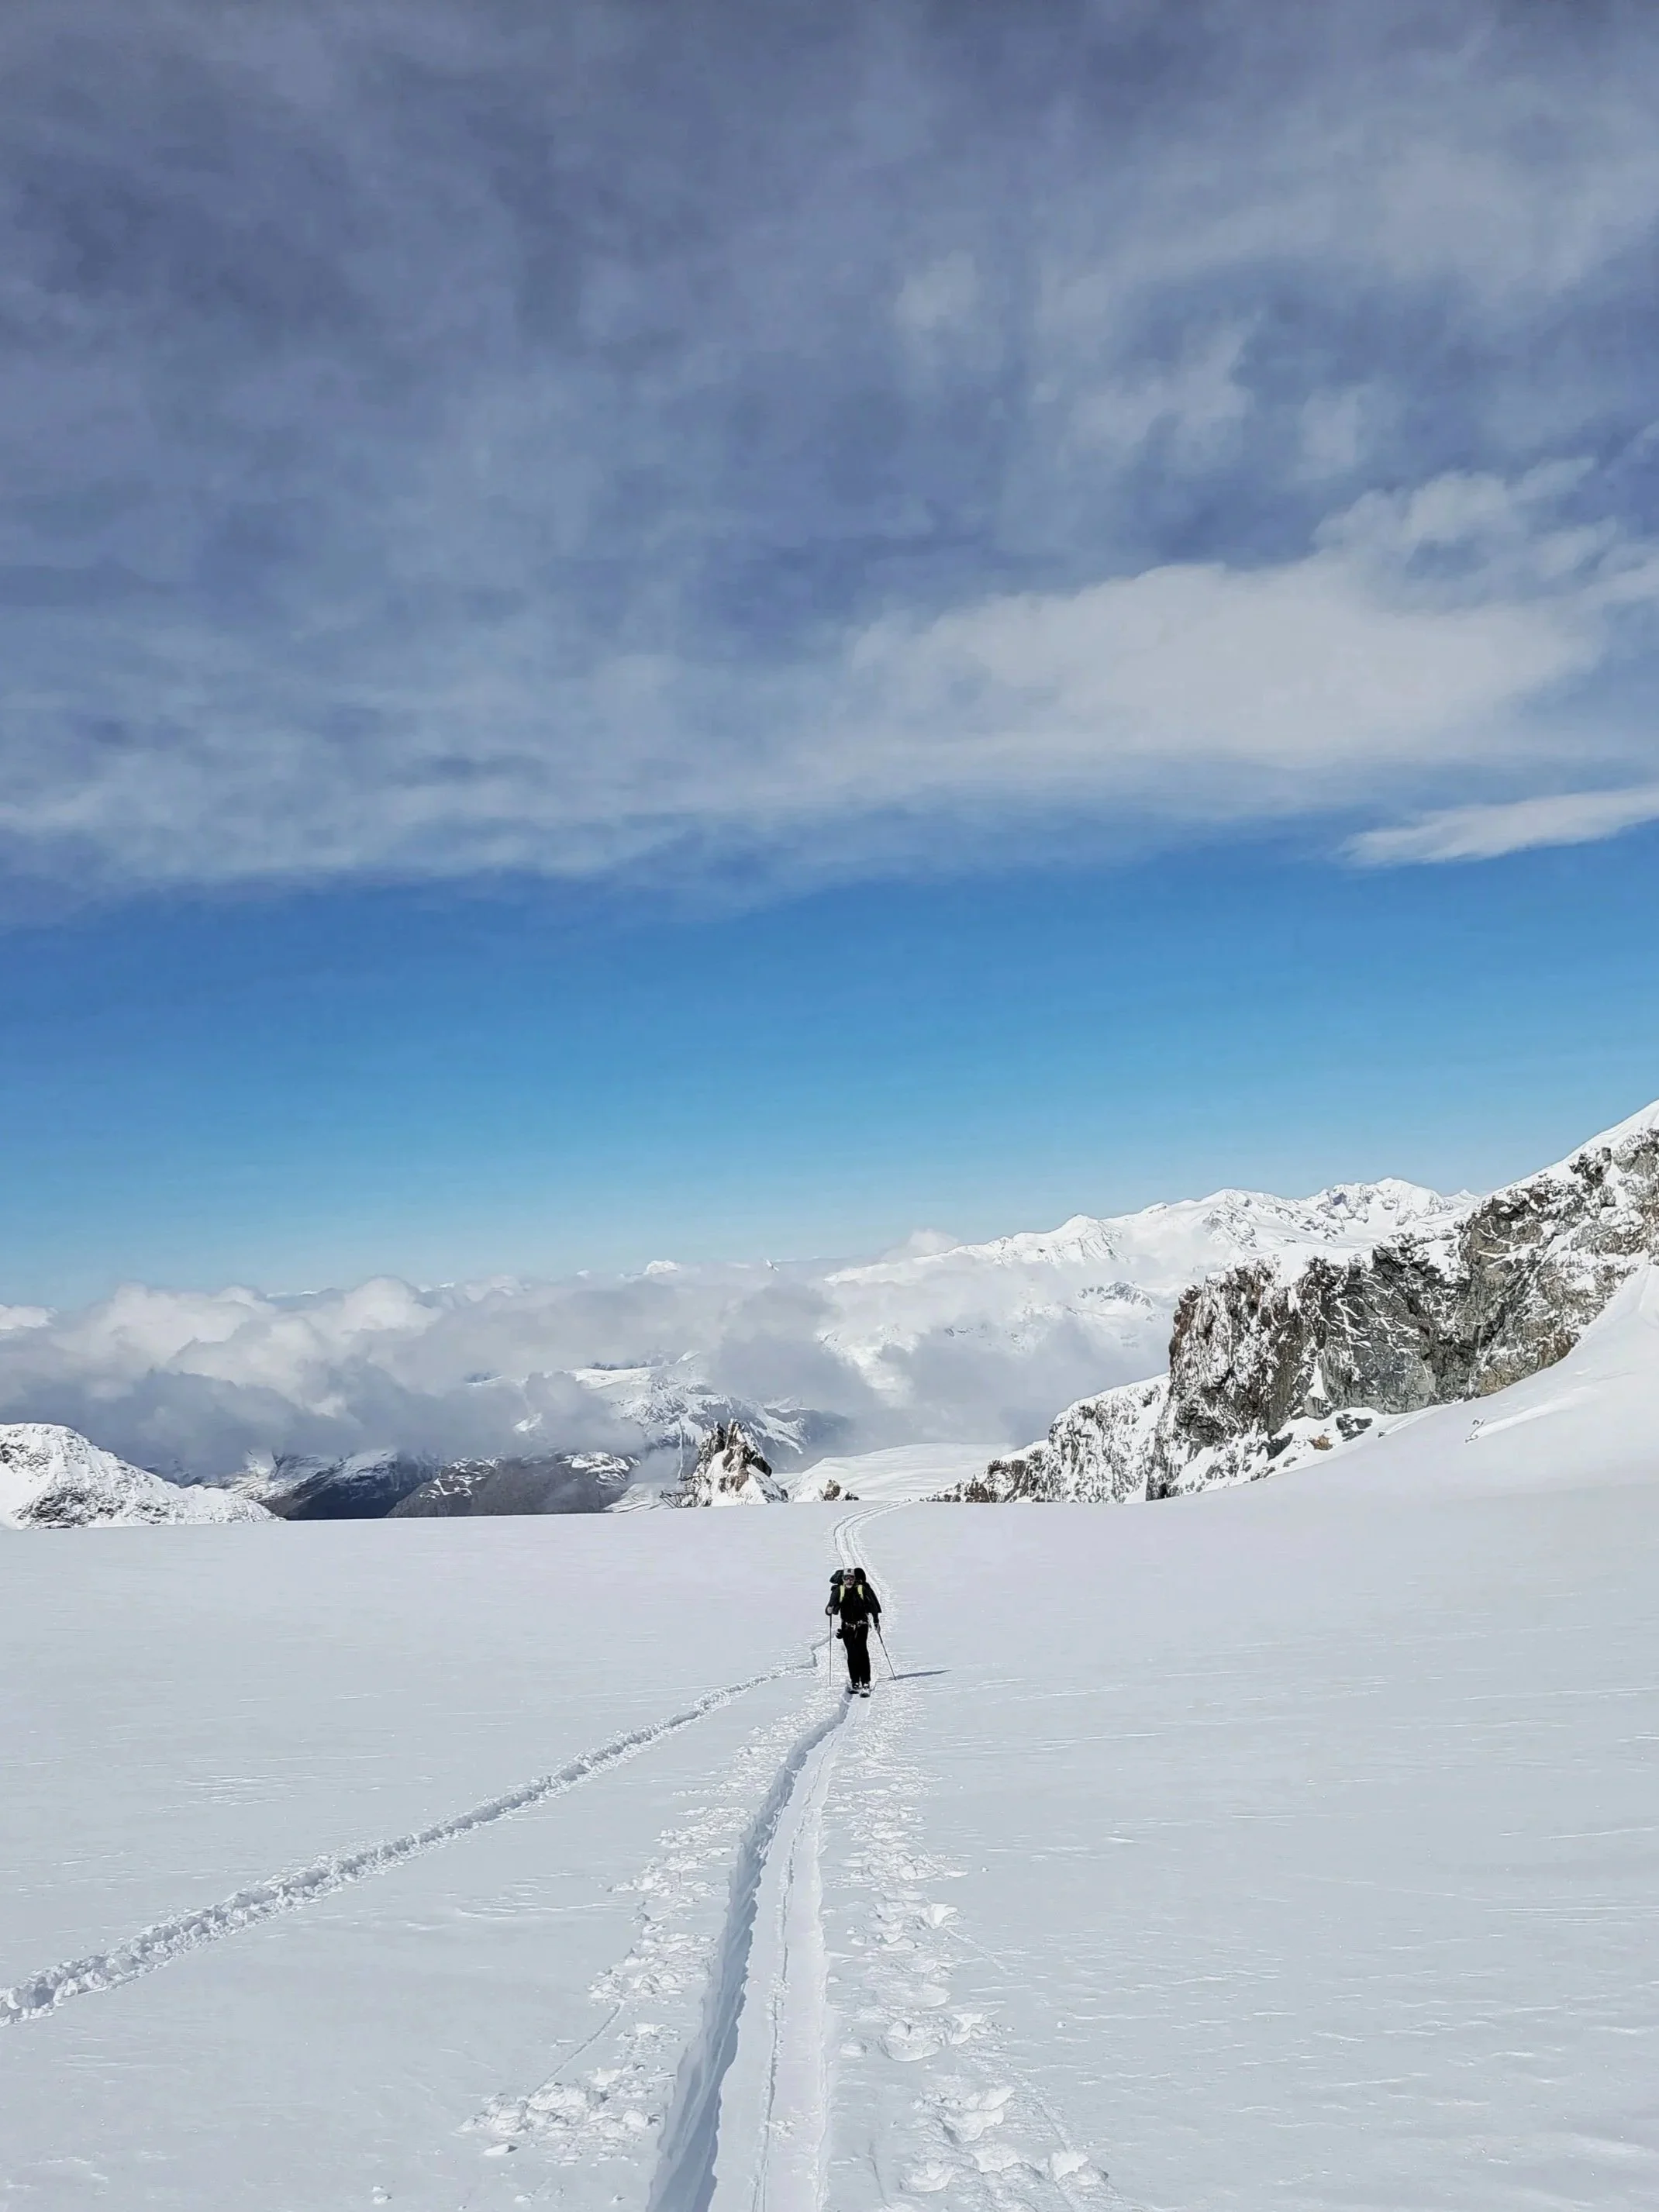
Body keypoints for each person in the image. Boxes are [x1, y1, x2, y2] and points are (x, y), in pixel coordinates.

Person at [826, 1565, 882, 1696]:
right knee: (852, 1655)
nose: (849, 1581)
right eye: (847, 1578)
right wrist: (828, 1610)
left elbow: (873, 1606)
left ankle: (866, 1682)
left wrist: (876, 1621)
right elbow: (831, 1605)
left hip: (861, 1626)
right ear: (843, 1579)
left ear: (855, 1579)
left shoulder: (862, 1589)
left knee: (862, 1652)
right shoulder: (839, 1591)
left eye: (851, 1578)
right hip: (847, 1627)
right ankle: (855, 1681)